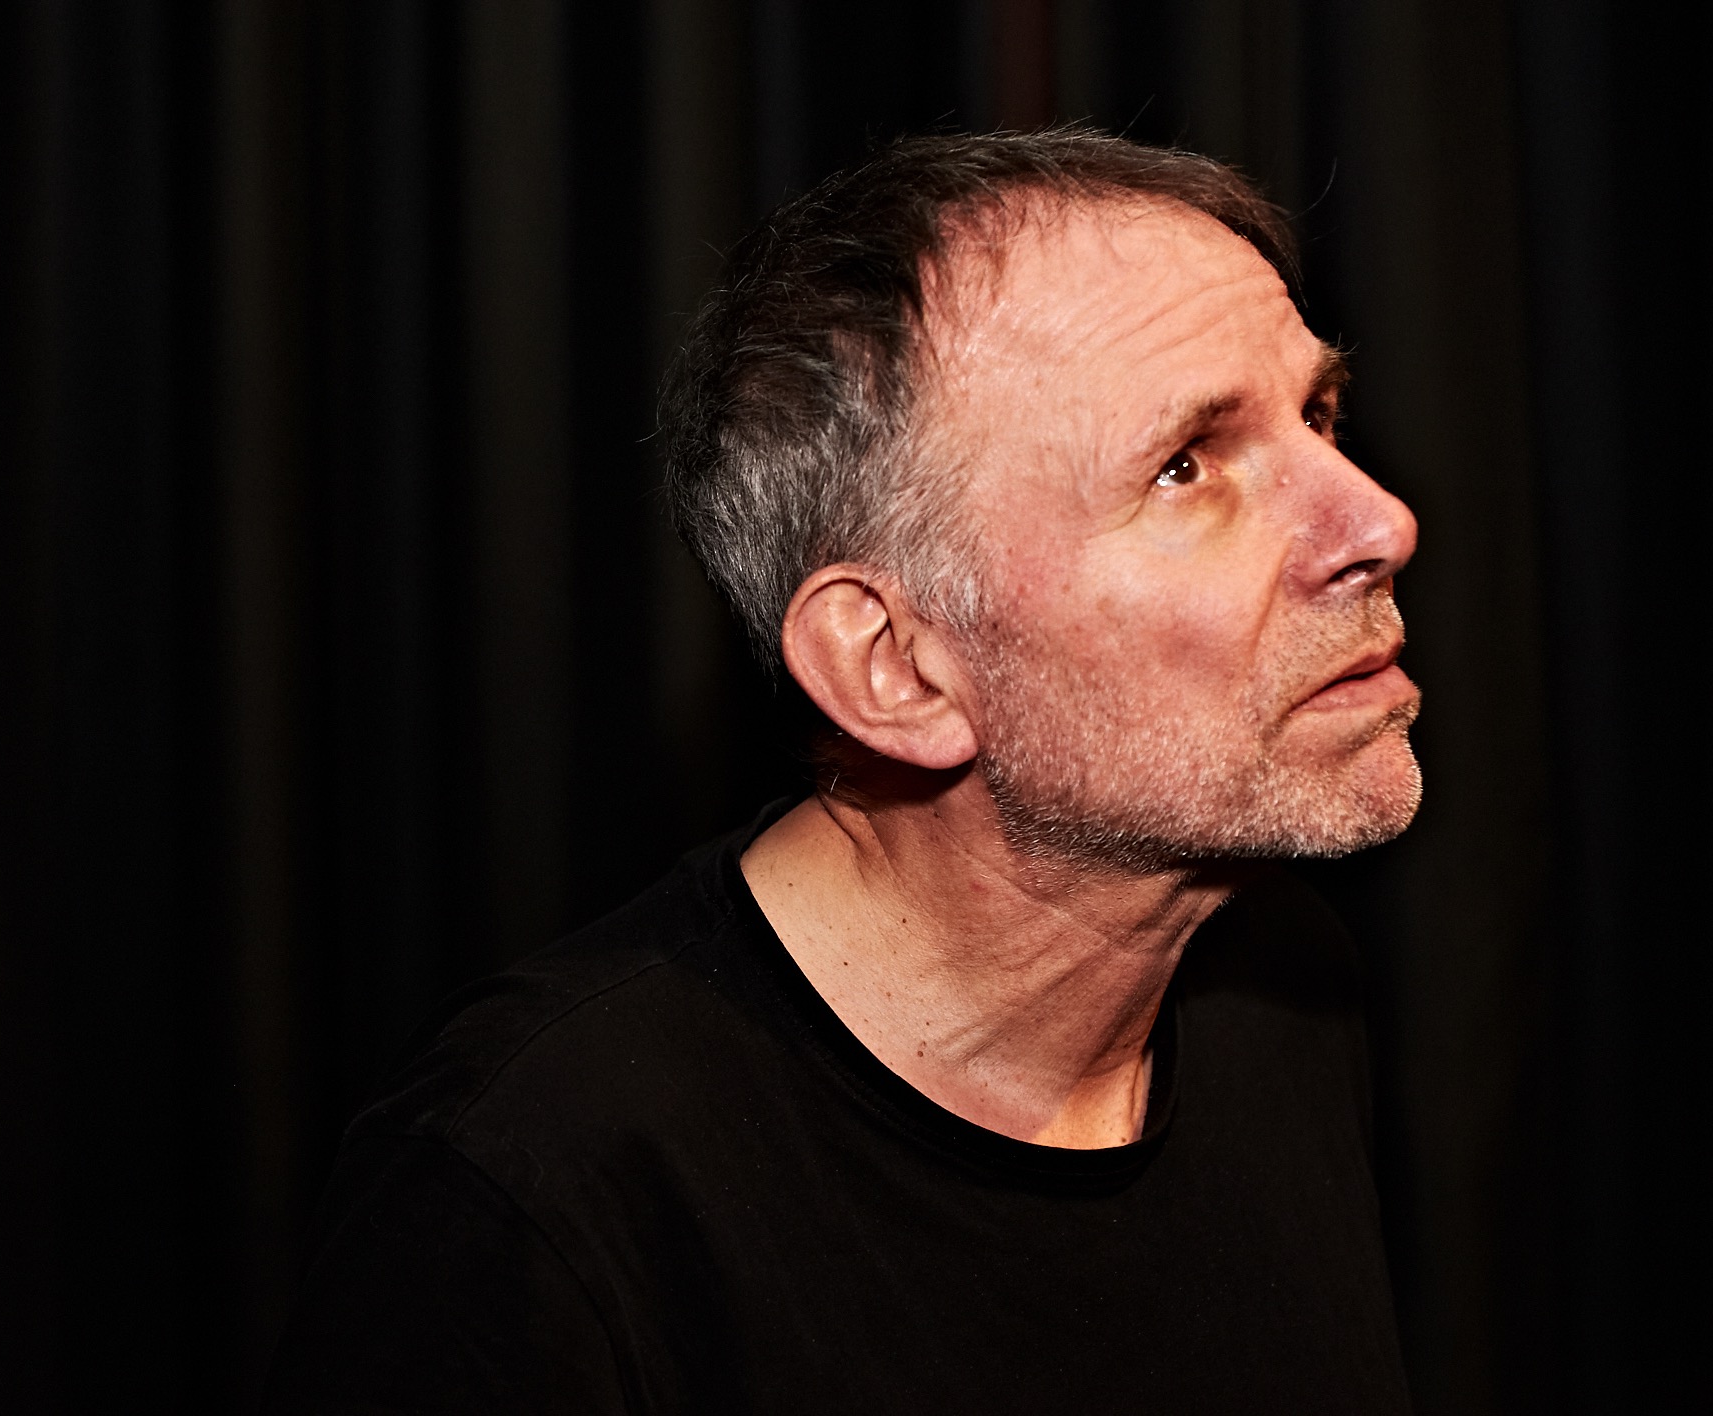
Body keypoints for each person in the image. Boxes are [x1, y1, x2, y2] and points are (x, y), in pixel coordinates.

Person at [268, 130, 1421, 1414]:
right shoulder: (531, 1193)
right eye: (1184, 466)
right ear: (896, 671)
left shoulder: (1282, 991)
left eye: (1318, 413)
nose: (1380, 522)